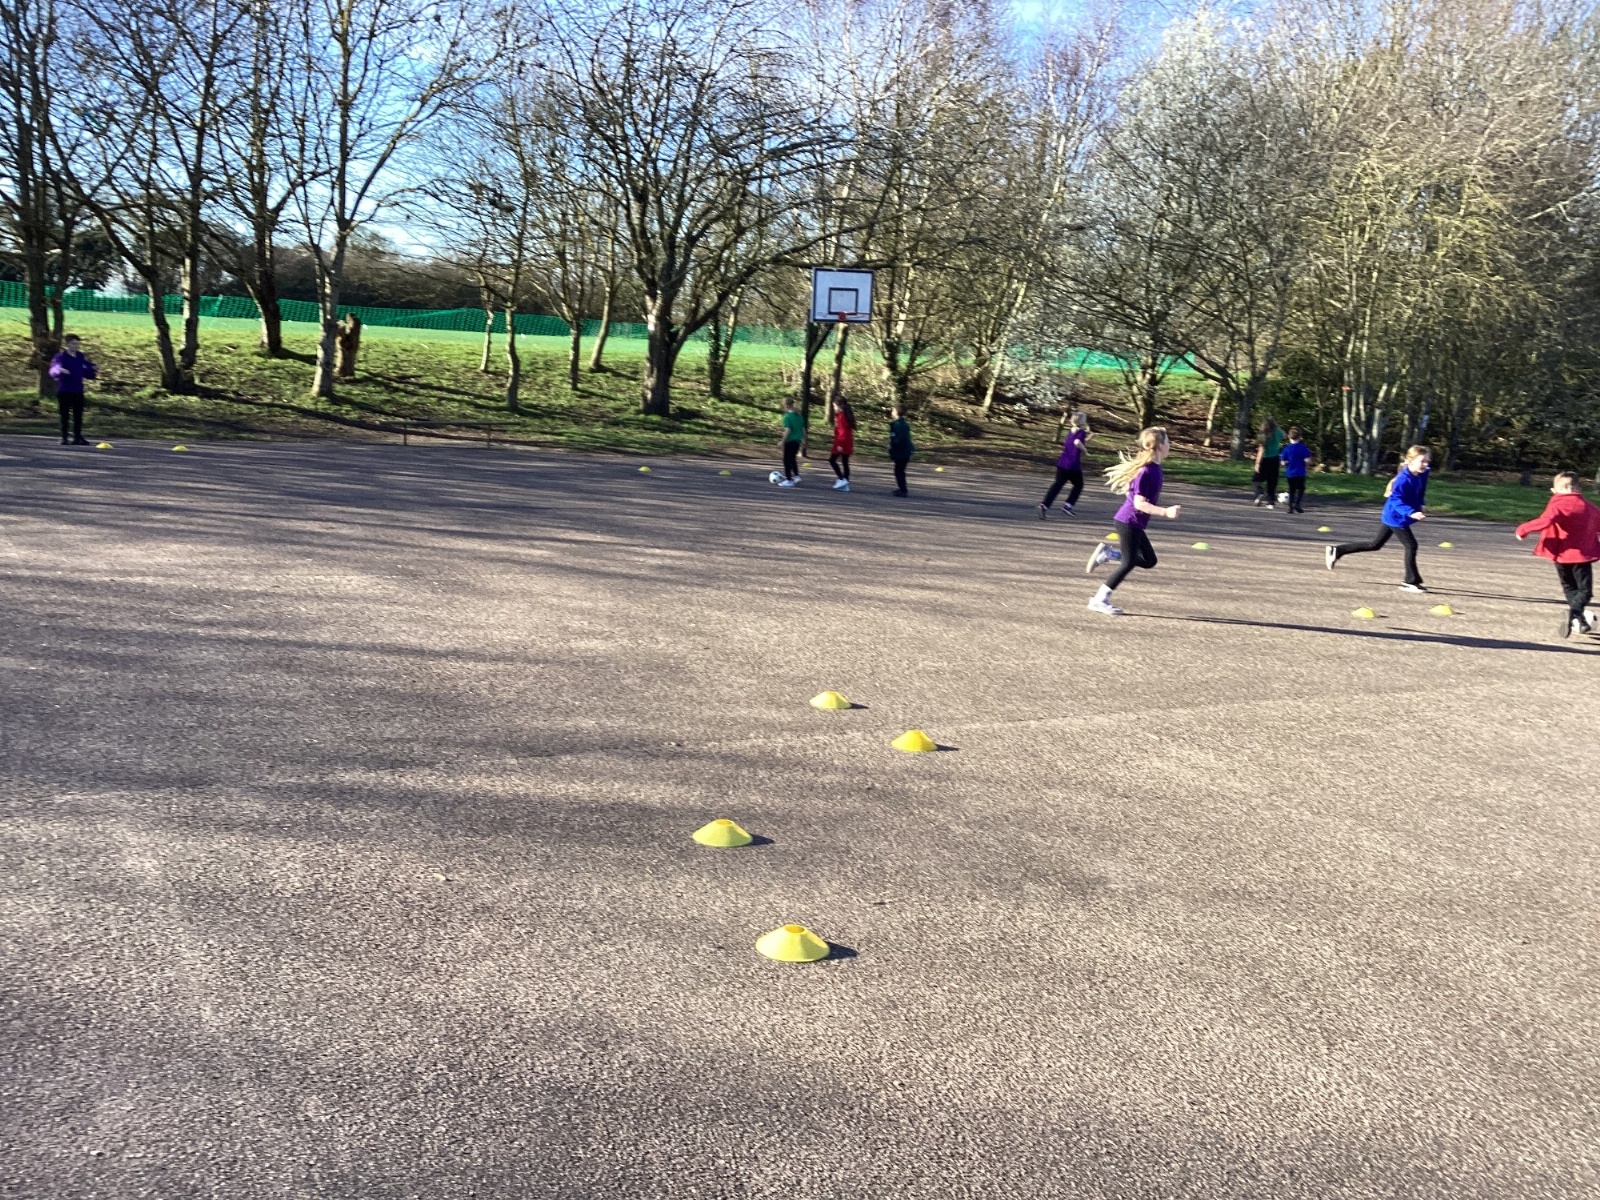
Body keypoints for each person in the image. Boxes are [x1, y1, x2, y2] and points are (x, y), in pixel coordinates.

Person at [1084, 426, 1181, 615]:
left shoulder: (1154, 468)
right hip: (1128, 521)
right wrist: (1165, 512)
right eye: (1168, 441)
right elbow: (1139, 503)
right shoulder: (1147, 471)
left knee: (1149, 560)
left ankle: (1110, 554)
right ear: (1160, 446)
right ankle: (1099, 600)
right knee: (1128, 563)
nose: (1170, 445)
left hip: (1133, 523)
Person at [1324, 444, 1432, 592]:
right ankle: (1410, 581)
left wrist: (1421, 504)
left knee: (1375, 544)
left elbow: (1421, 490)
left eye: (1427, 461)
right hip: (1395, 517)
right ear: (1410, 460)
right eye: (1422, 461)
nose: (1425, 464)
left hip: (1397, 516)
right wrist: (1411, 512)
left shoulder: (1423, 472)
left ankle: (1338, 550)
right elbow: (1395, 500)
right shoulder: (1402, 480)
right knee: (1411, 545)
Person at [1515, 471, 1600, 638]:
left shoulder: (1557, 504)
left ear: (1554, 491)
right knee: (1584, 591)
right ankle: (1574, 613)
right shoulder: (1590, 508)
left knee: (1569, 587)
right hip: (1581, 557)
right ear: (1579, 488)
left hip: (1561, 555)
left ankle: (1578, 619)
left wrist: (1523, 529)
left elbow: (1545, 521)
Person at [1039, 411, 1092, 519]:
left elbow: (1076, 440)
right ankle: (1068, 506)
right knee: (1078, 485)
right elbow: (1077, 442)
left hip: (1062, 463)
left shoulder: (1071, 431)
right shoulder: (1081, 432)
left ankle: (1044, 505)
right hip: (1073, 465)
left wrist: (1089, 438)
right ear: (1082, 421)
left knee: (1057, 485)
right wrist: (1085, 450)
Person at [48, 334, 98, 446]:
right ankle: (64, 437)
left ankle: (77, 437)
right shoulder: (61, 356)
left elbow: (85, 369)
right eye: (73, 344)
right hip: (65, 390)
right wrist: (60, 370)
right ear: (67, 344)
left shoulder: (80, 356)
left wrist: (93, 369)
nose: (76, 346)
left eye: (77, 344)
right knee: (64, 415)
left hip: (78, 390)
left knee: (78, 415)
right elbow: (54, 368)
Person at [1252, 416, 1284, 507]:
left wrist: (1257, 463)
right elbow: (1284, 435)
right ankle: (1271, 500)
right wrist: (1278, 427)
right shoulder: (1278, 432)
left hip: (1265, 459)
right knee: (1272, 480)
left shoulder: (1264, 434)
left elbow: (1261, 450)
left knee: (1256, 479)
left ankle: (1259, 493)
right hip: (1275, 458)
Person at [1280, 427, 1313, 514]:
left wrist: (1285, 463)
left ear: (1289, 437)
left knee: (1291, 490)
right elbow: (1307, 460)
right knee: (1301, 488)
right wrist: (1307, 464)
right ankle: (1297, 503)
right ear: (1300, 437)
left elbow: (1282, 462)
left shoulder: (1286, 449)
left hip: (1290, 473)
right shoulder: (1303, 448)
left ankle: (1290, 507)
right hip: (1300, 472)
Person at [776, 398, 805, 487]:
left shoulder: (787, 417)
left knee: (786, 461)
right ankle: (796, 476)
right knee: (792, 459)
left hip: (790, 441)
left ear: (786, 406)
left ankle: (788, 480)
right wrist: (804, 441)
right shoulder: (799, 416)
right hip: (797, 441)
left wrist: (782, 441)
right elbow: (803, 430)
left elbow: (787, 430)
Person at [829, 398, 856, 492]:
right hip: (848, 441)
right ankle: (845, 483)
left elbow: (842, 432)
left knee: (832, 460)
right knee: (845, 462)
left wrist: (840, 444)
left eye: (834, 406)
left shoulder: (841, 416)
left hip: (841, 441)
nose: (834, 408)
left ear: (839, 406)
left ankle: (841, 478)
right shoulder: (846, 415)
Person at [888, 404, 914, 497]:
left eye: (893, 411)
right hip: (905, 451)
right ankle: (902, 489)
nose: (892, 412)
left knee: (899, 470)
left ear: (897, 412)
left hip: (902, 451)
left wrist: (892, 446)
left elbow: (898, 439)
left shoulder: (898, 425)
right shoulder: (902, 424)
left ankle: (903, 490)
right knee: (899, 470)